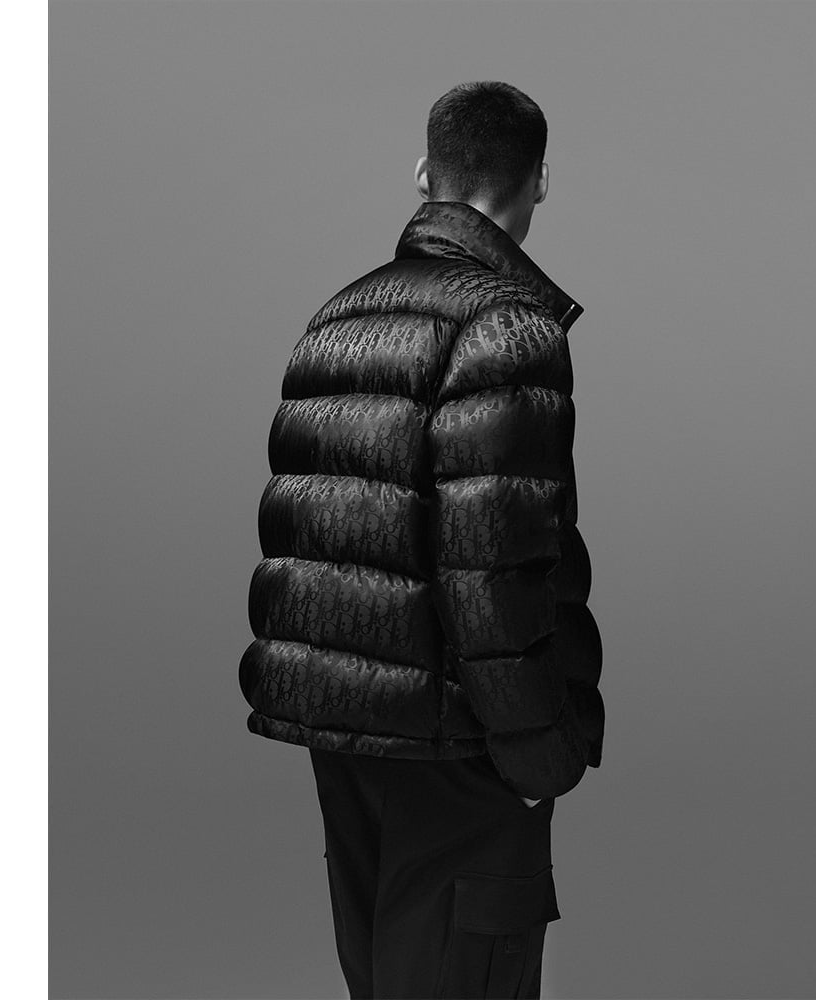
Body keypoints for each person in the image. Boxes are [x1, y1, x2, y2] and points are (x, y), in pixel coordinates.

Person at [239, 80, 605, 999]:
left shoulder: (338, 317)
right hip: (461, 745)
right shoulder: (509, 328)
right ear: (541, 181)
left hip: (347, 735)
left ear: (422, 175)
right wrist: (539, 757)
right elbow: (493, 565)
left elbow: (307, 533)